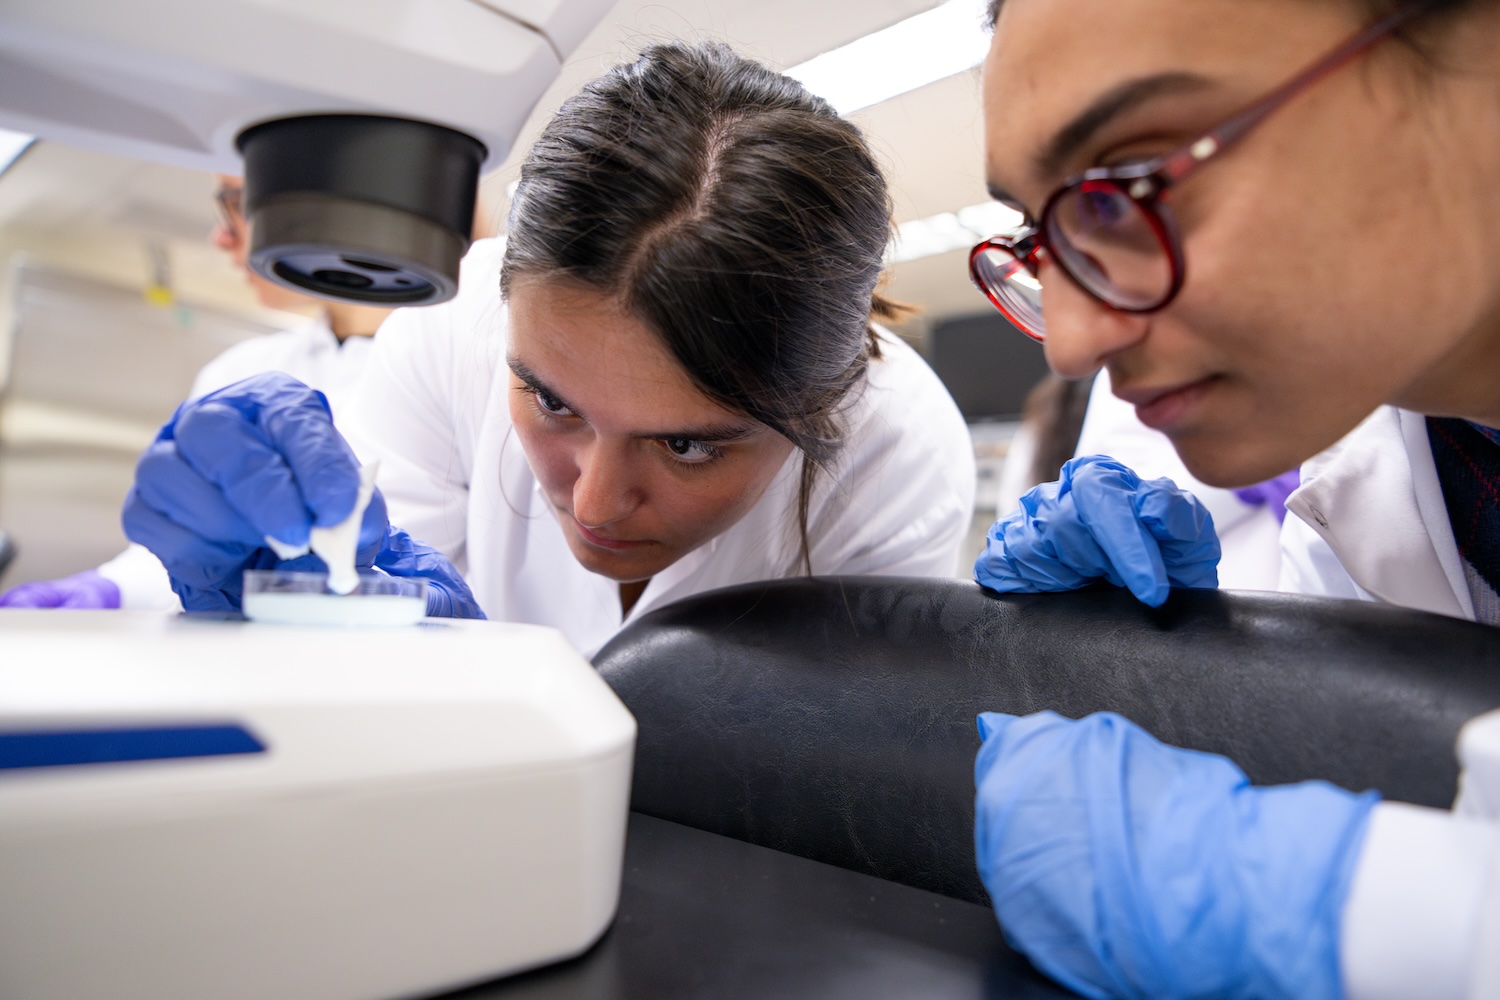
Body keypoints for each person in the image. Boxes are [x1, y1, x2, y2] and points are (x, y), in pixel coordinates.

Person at [963, 0, 1500, 996]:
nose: (1072, 343)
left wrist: (1379, 917)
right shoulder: (1385, 490)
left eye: (1124, 192)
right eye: (1043, 238)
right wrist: (1179, 669)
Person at [117, 42, 977, 655]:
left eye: (687, 445)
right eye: (552, 401)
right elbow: (364, 671)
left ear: (819, 408)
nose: (597, 506)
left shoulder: (896, 451)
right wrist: (302, 601)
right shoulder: (451, 331)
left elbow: (806, 779)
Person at [0, 176, 390, 611]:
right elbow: (193, 553)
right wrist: (112, 588)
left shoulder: (456, 354)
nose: (220, 236)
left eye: (237, 203)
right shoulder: (241, 369)